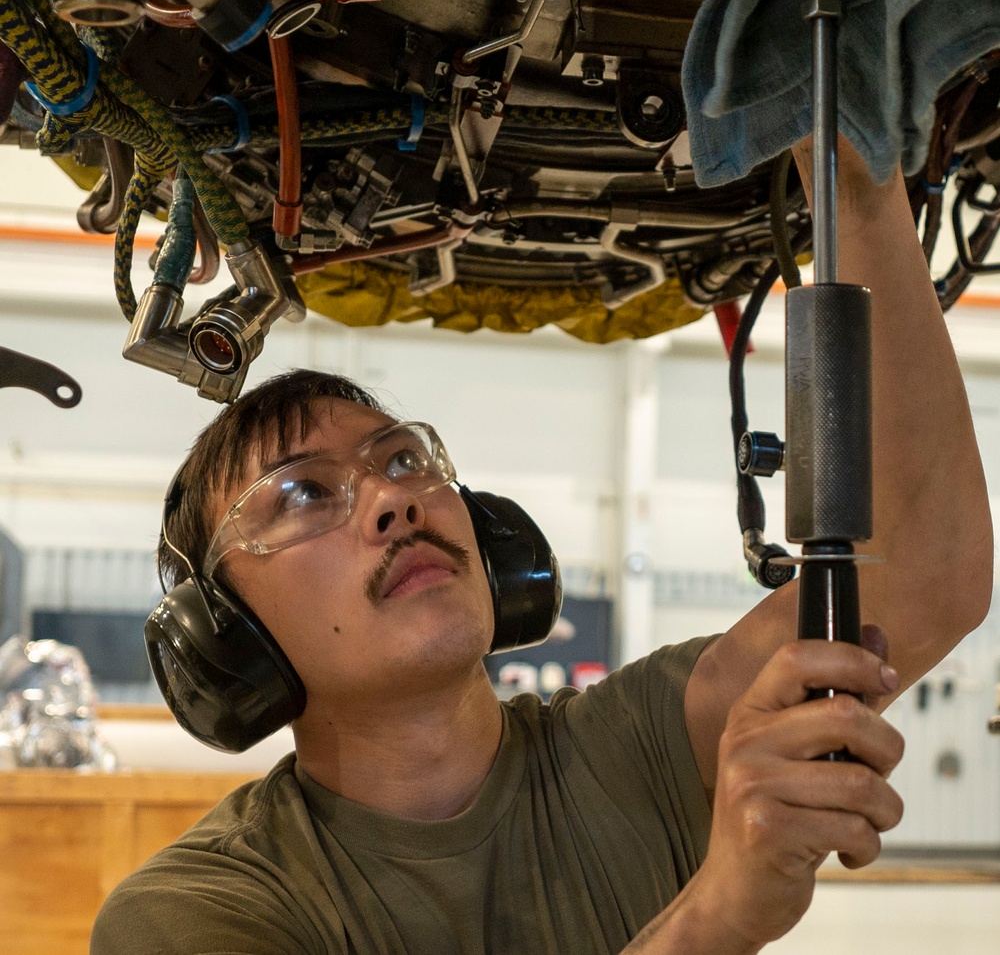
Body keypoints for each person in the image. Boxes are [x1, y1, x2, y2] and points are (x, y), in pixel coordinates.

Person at [91, 120, 993, 955]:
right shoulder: (197, 910)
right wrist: (714, 917)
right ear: (228, 641)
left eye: (403, 460)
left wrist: (849, 169)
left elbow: (920, 578)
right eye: (302, 494)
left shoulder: (633, 744)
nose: (390, 502)